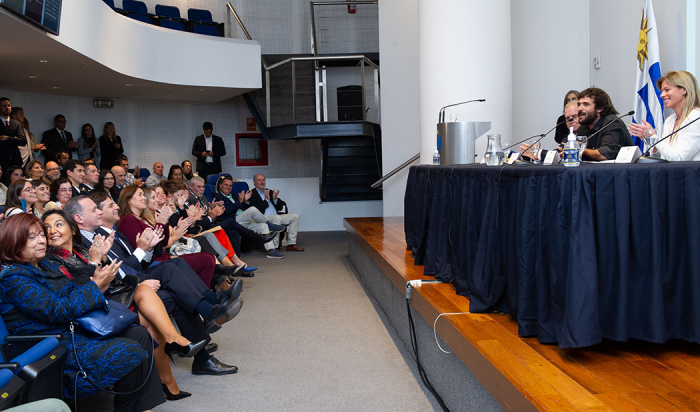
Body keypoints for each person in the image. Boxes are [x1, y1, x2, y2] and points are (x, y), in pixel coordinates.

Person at [0, 213, 165, 411]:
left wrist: (99, 283)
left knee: (139, 334)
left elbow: (72, 291)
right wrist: (95, 287)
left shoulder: (47, 264)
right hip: (49, 341)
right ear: (14, 241)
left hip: (72, 328)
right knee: (128, 351)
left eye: (41, 235)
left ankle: (138, 408)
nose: (42, 240)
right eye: (32, 237)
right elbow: (55, 311)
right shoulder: (14, 278)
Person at [41, 209, 207, 400]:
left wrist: (102, 260)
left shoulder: (82, 251)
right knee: (149, 314)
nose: (52, 230)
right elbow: (77, 290)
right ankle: (170, 371)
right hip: (85, 312)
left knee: (148, 315)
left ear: (71, 228)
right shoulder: (50, 260)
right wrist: (96, 262)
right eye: (47, 226)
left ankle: (170, 360)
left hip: (105, 299)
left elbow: (108, 278)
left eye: (58, 224)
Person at [88, 192, 241, 374]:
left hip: (138, 275)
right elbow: (117, 272)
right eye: (108, 206)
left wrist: (148, 247)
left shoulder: (115, 234)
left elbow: (146, 256)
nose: (116, 207)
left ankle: (210, 310)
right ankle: (209, 313)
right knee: (172, 273)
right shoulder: (98, 237)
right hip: (126, 289)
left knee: (176, 268)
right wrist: (142, 262)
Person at [116, 186, 221, 294]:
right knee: (207, 260)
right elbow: (144, 252)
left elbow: (163, 242)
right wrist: (161, 223)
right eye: (140, 195)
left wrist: (164, 222)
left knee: (209, 257)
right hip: (155, 264)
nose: (144, 198)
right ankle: (206, 298)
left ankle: (206, 296)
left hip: (162, 259)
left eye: (143, 194)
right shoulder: (128, 219)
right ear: (129, 200)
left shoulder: (143, 218)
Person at [629, 70, 700, 161]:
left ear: (684, 90)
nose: (662, 95)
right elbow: (663, 158)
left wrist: (654, 137)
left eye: (667, 90)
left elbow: (679, 159)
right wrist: (653, 144)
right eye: (662, 91)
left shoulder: (696, 118)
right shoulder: (670, 120)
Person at [208, 176, 282, 262]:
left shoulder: (235, 196)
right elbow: (226, 211)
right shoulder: (218, 197)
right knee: (253, 209)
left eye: (230, 186)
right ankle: (271, 225)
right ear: (220, 186)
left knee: (262, 226)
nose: (228, 187)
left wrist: (245, 202)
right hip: (232, 221)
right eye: (226, 185)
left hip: (243, 221)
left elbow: (244, 208)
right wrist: (239, 202)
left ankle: (271, 251)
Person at [248, 173, 304, 257]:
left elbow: (280, 207)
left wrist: (275, 199)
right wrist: (266, 201)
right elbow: (255, 209)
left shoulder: (269, 191)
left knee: (295, 216)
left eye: (263, 180)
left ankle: (291, 244)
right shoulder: (252, 194)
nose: (262, 182)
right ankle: (275, 246)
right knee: (277, 218)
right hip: (264, 218)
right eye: (259, 180)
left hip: (276, 216)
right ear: (254, 183)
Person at [576, 87, 633, 161]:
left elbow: (605, 155)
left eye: (586, 104)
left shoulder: (612, 123)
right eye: (579, 104)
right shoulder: (582, 128)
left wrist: (579, 150)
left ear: (600, 108)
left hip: (620, 171)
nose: (580, 108)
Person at [0, 98, 27, 184]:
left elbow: (23, 140)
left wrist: (7, 138)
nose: (7, 108)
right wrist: (14, 139)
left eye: (8, 105)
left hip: (16, 160)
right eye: (4, 106)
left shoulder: (16, 123)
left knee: (17, 185)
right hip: (2, 160)